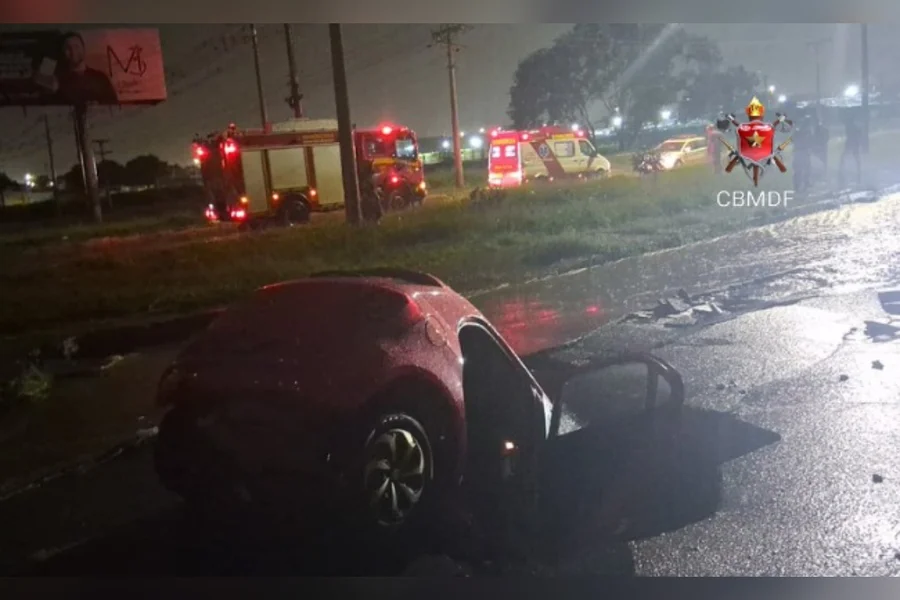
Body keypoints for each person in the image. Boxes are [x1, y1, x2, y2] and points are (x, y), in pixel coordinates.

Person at [34, 31, 118, 105]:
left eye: (76, 46)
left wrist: (99, 106)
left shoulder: (100, 78)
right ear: (63, 52)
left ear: (83, 49)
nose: (73, 51)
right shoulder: (58, 80)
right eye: (68, 48)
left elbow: (114, 104)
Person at [839, 112, 862, 186]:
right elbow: (858, 133)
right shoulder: (852, 126)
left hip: (851, 142)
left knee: (846, 155)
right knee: (854, 156)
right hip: (854, 142)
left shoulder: (849, 126)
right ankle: (858, 169)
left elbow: (854, 134)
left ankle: (842, 167)